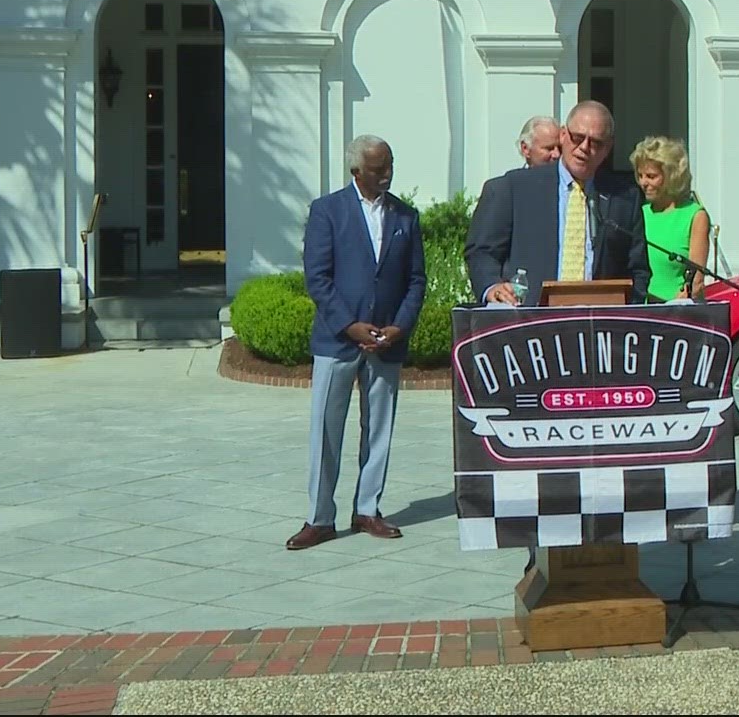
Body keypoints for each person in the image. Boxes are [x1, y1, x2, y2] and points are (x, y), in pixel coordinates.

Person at [288, 135, 427, 551]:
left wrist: (399, 327)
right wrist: (350, 326)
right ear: (356, 172)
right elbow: (318, 277)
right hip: (338, 340)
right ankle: (320, 517)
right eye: (377, 169)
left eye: (389, 166)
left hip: (387, 341)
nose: (386, 175)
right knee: (327, 432)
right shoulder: (327, 211)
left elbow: (416, 280)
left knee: (379, 429)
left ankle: (368, 508)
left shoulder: (406, 216)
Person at [464, 100, 651, 306]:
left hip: (599, 324)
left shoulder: (623, 198)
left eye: (595, 142)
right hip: (528, 322)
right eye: (577, 138)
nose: (584, 148)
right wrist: (492, 287)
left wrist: (626, 311)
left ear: (608, 148)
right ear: (563, 135)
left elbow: (638, 269)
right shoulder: (514, 188)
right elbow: (482, 252)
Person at [630, 136, 710, 303]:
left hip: (679, 311)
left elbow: (696, 280)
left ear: (672, 176)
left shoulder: (695, 216)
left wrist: (678, 302)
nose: (643, 182)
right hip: (638, 311)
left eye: (651, 176)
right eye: (640, 175)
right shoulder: (637, 213)